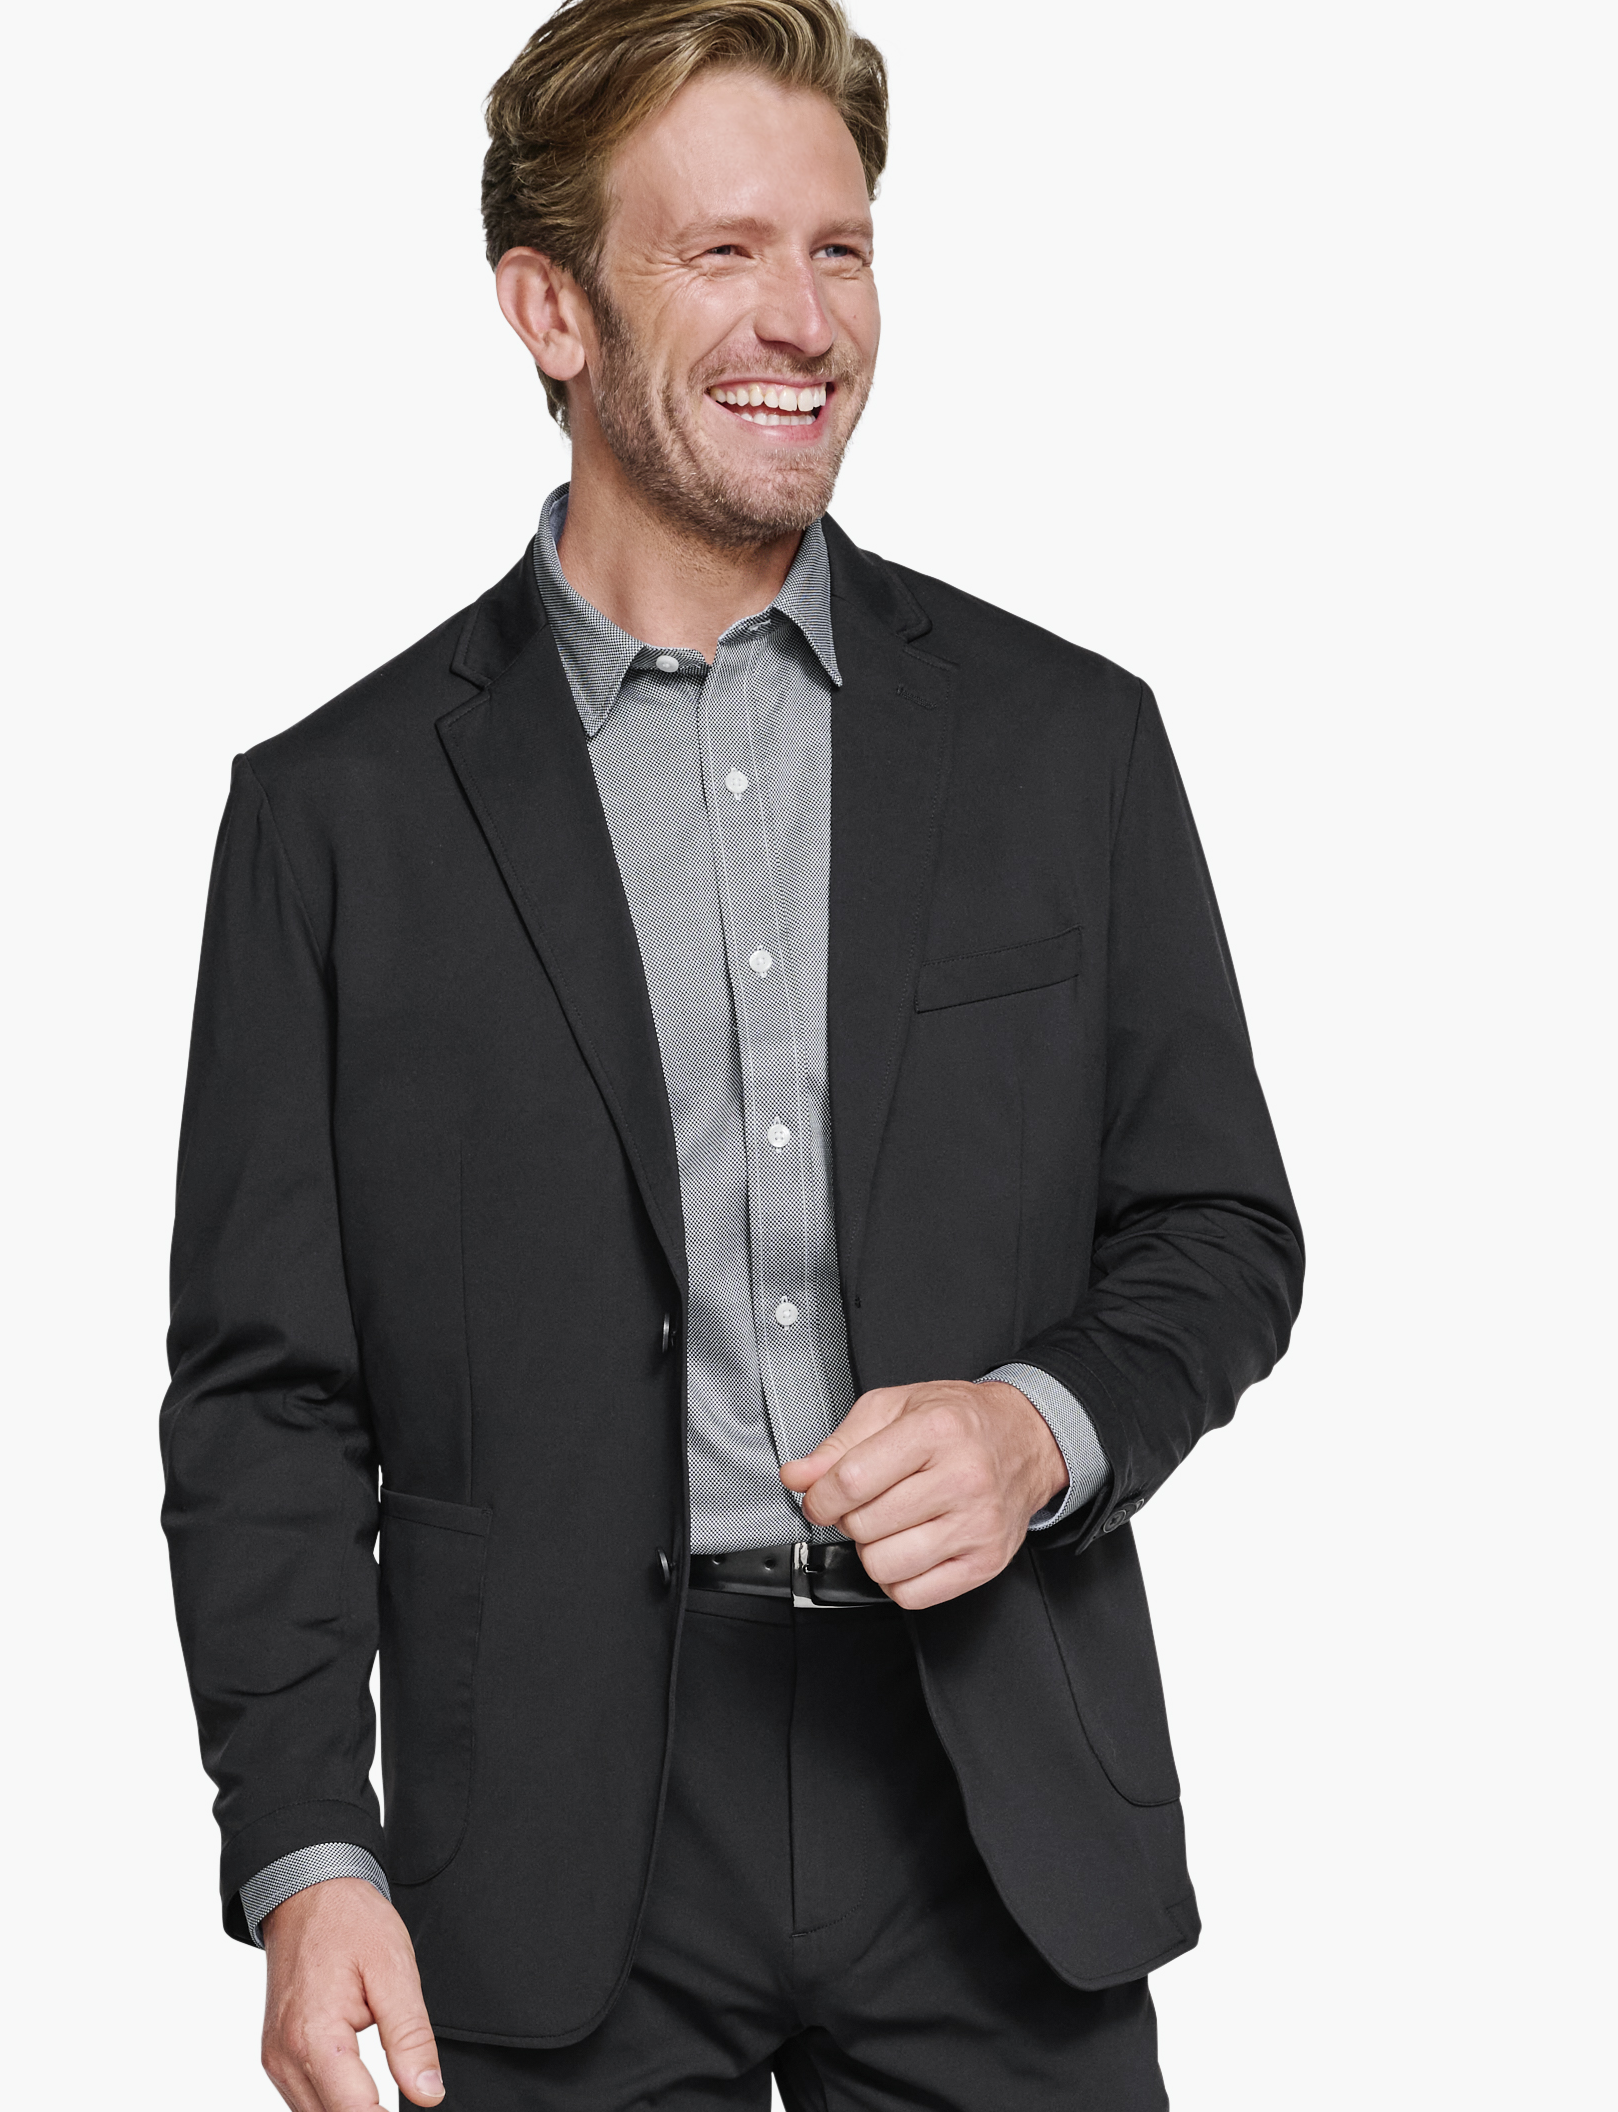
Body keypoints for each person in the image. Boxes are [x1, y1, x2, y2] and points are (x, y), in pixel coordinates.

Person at [160, 2, 1302, 2104]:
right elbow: (267, 1402)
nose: (805, 320)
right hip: (550, 1837)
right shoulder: (334, 818)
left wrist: (1034, 1429)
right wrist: (308, 1851)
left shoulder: (1066, 744)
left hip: (991, 1812)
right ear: (549, 308)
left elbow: (1217, 1232)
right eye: (722, 252)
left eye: (839, 249)